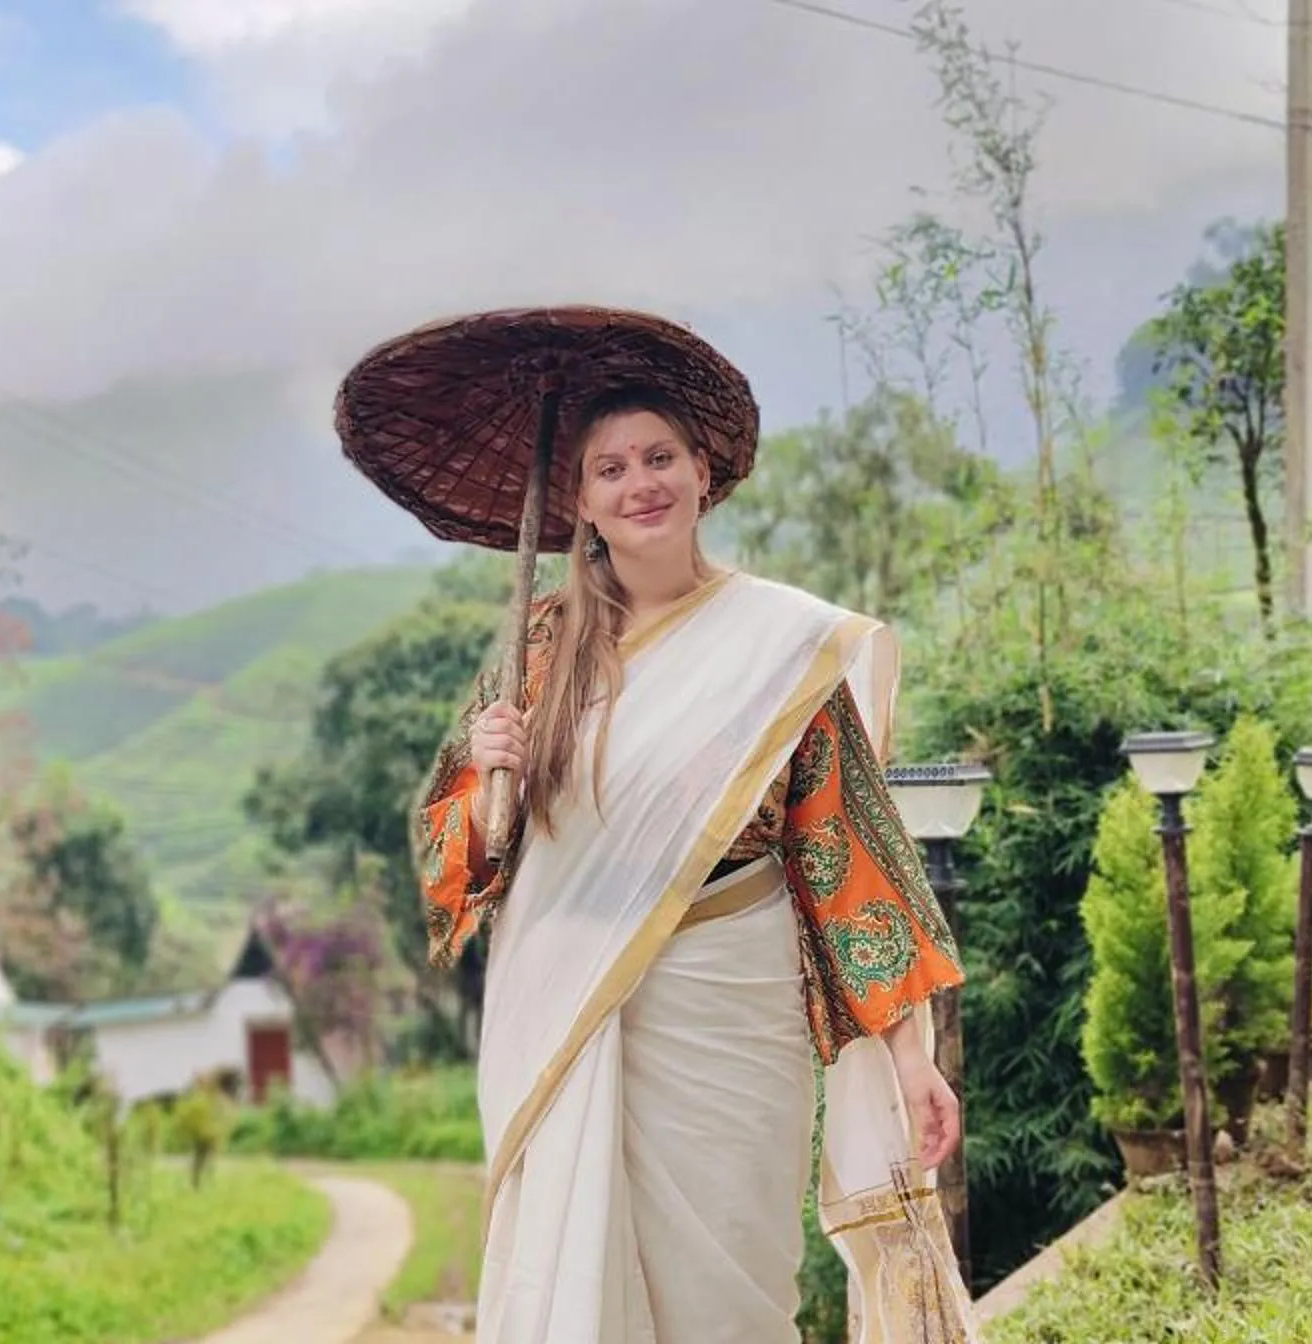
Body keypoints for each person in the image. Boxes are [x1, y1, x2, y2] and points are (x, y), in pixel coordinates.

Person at [411, 382, 981, 1343]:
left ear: (701, 473)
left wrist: (910, 1056)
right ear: (582, 502)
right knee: (584, 1281)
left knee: (735, 1291)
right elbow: (460, 858)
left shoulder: (782, 646)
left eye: (659, 457)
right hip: (574, 999)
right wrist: (488, 770)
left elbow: (848, 850)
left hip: (734, 997)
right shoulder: (541, 646)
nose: (639, 483)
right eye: (610, 468)